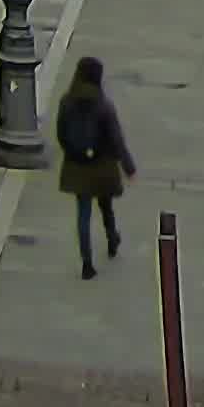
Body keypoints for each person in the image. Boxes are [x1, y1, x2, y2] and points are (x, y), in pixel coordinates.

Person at [54, 55, 138, 280]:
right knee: (106, 205)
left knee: (83, 214)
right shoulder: (103, 105)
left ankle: (87, 264)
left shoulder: (66, 101)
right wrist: (128, 166)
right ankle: (112, 238)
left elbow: (60, 133)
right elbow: (116, 139)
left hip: (77, 165)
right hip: (102, 165)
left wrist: (72, 152)